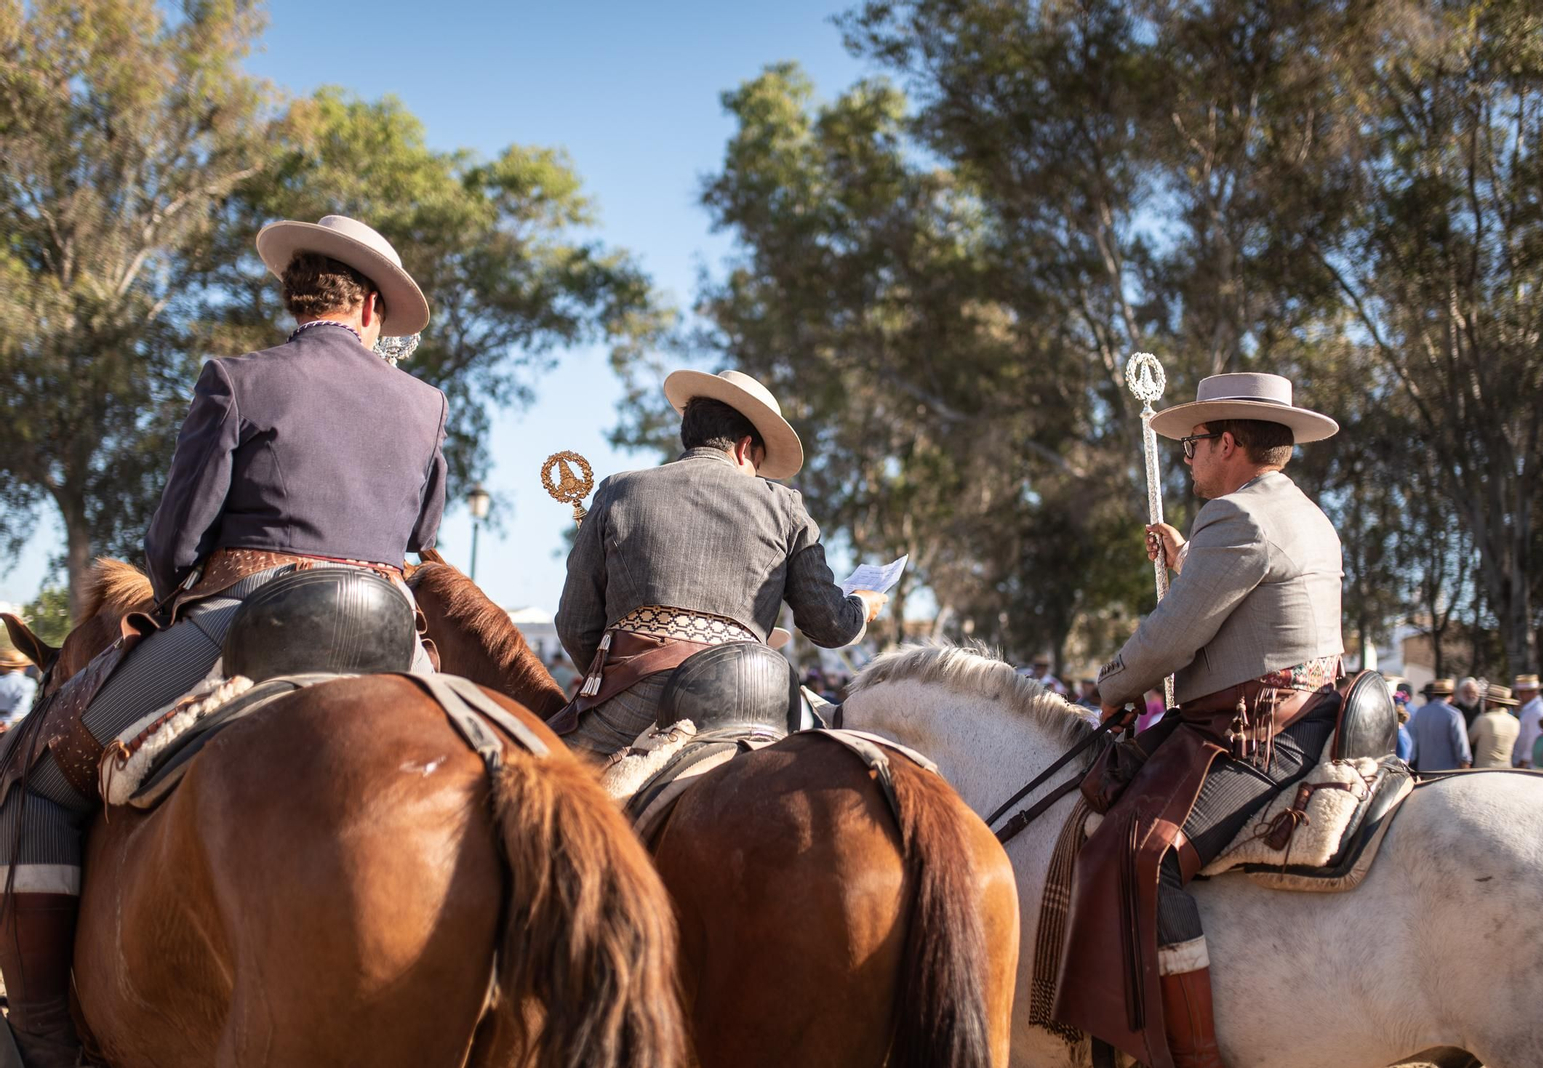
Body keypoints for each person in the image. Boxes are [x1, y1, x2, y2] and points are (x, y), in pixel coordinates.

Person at [0, 215, 446, 1068]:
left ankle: (43, 1040)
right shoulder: (426, 405)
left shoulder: (238, 378)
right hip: (394, 642)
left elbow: (173, 541)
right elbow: (423, 532)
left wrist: (176, 600)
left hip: (243, 623)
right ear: (373, 311)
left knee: (40, 777)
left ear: (297, 294)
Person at [1054, 372, 1344, 1068]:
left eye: (1193, 444)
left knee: (1141, 857)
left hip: (1257, 737)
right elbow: (1244, 613)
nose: (1185, 457)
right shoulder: (1302, 511)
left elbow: (1171, 637)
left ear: (1229, 443)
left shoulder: (1238, 516)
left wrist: (1112, 686)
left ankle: (1197, 1055)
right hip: (1305, 717)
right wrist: (1189, 563)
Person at [554, 368, 887, 757]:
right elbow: (831, 627)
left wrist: (620, 674)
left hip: (632, 705)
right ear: (746, 448)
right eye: (758, 466)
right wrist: (862, 605)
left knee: (531, 787)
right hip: (751, 707)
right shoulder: (785, 506)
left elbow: (576, 626)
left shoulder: (618, 489)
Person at [1410, 679, 1471, 771]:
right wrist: (1465, 762)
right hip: (1447, 772)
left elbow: (1414, 740)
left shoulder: (1420, 712)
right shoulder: (1454, 714)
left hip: (1423, 770)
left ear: (1433, 695)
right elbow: (1460, 742)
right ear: (1451, 695)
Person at [1468, 683, 1523, 768]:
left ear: (1492, 703)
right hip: (1506, 769)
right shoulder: (1515, 722)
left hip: (1483, 769)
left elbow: (1470, 739)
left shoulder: (1484, 719)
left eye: (1486, 701)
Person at [1511, 674, 1543, 768]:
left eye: (1522, 693)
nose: (1519, 696)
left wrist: (1524, 761)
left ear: (1532, 692)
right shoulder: (1531, 709)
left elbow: (1534, 738)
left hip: (1530, 765)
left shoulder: (1537, 711)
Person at [0, 648, 39, 728]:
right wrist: (7, 722)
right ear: (23, 667)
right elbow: (21, 709)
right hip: (16, 726)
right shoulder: (28, 683)